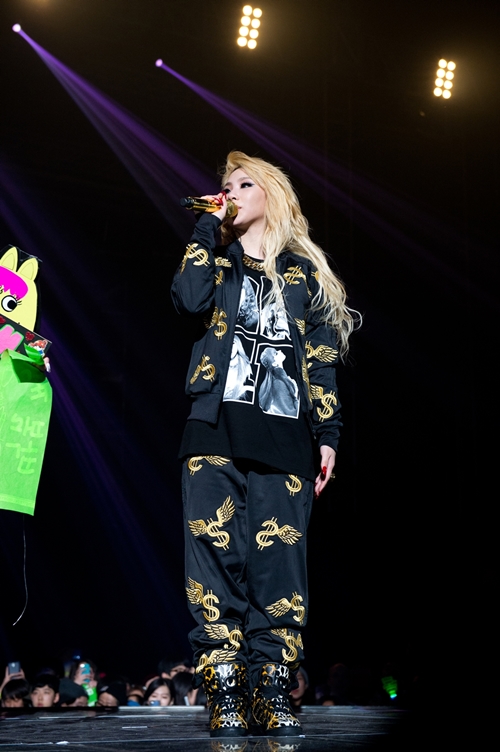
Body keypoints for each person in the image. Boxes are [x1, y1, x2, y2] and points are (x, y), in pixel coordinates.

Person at [171, 151, 358, 738]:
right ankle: (224, 690)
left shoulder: (304, 275)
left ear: (272, 195)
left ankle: (272, 688)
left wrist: (328, 436)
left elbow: (322, 363)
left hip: (286, 440)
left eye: (243, 184)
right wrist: (207, 227)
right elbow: (188, 300)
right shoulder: (216, 258)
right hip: (213, 432)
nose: (229, 192)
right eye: (225, 186)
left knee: (279, 570)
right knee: (212, 563)